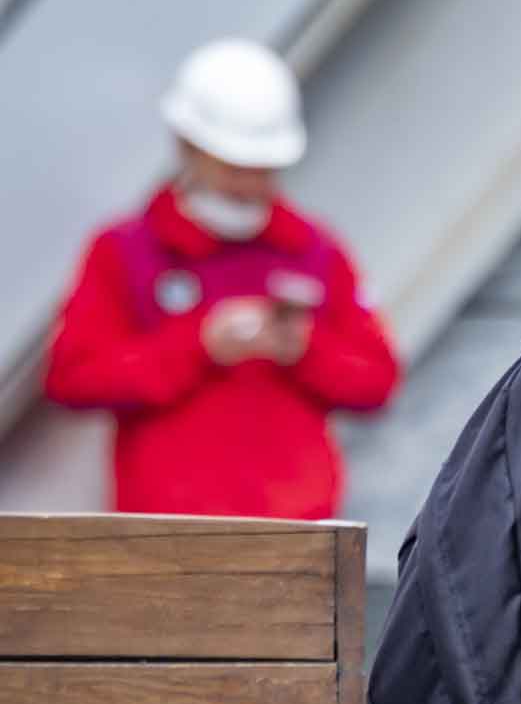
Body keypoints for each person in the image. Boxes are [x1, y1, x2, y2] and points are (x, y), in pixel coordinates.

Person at [45, 38, 400, 519]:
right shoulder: (126, 251)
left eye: (263, 169)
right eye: (235, 168)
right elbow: (74, 378)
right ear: (188, 145)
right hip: (168, 539)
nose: (250, 184)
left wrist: (303, 350)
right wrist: (198, 346)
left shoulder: (315, 250)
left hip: (297, 539)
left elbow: (377, 380)